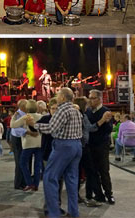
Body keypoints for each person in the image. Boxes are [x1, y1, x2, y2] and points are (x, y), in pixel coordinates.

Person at [26, 88, 83, 218]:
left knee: (50, 177)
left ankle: (53, 213)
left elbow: (51, 128)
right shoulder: (75, 111)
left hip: (64, 146)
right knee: (72, 180)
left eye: (58, 95)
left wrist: (34, 125)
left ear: (63, 97)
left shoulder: (62, 109)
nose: (56, 97)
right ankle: (74, 212)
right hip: (77, 146)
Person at [74, 97, 112, 208]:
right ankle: (94, 196)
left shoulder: (81, 114)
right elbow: (91, 128)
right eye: (86, 104)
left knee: (80, 172)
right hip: (83, 147)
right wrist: (102, 120)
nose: (89, 105)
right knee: (90, 172)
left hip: (80, 147)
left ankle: (88, 195)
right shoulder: (83, 115)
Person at [86, 89, 115, 204]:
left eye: (93, 98)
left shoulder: (106, 111)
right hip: (91, 145)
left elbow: (108, 129)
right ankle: (99, 195)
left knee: (104, 171)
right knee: (93, 172)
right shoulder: (88, 111)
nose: (90, 100)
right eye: (90, 98)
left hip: (102, 145)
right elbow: (89, 129)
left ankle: (109, 194)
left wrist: (105, 121)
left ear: (99, 99)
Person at [11, 99, 43, 191]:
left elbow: (13, 125)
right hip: (39, 143)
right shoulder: (41, 116)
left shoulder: (26, 117)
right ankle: (36, 184)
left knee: (22, 163)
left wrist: (14, 116)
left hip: (28, 144)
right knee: (37, 165)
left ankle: (29, 183)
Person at [10, 99, 27, 190]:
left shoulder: (23, 114)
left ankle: (24, 182)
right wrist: (26, 132)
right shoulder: (17, 115)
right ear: (23, 107)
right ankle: (18, 184)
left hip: (22, 139)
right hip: (17, 139)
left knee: (23, 161)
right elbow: (15, 129)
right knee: (19, 161)